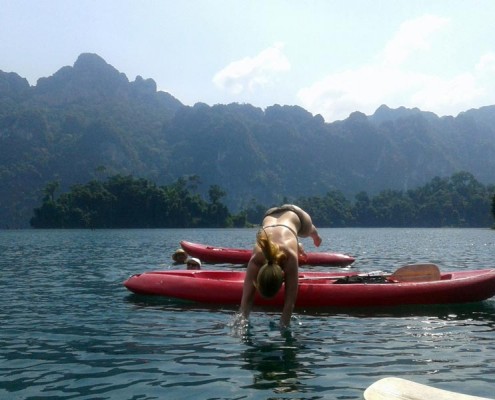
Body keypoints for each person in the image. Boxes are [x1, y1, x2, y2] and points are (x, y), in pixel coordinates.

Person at [239, 204, 322, 328]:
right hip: (270, 214)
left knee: (308, 231)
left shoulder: (289, 258)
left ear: (283, 277)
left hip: (298, 216)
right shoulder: (258, 257)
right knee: (290, 240)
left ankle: (315, 237)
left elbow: (289, 305)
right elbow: (244, 307)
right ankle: (297, 245)